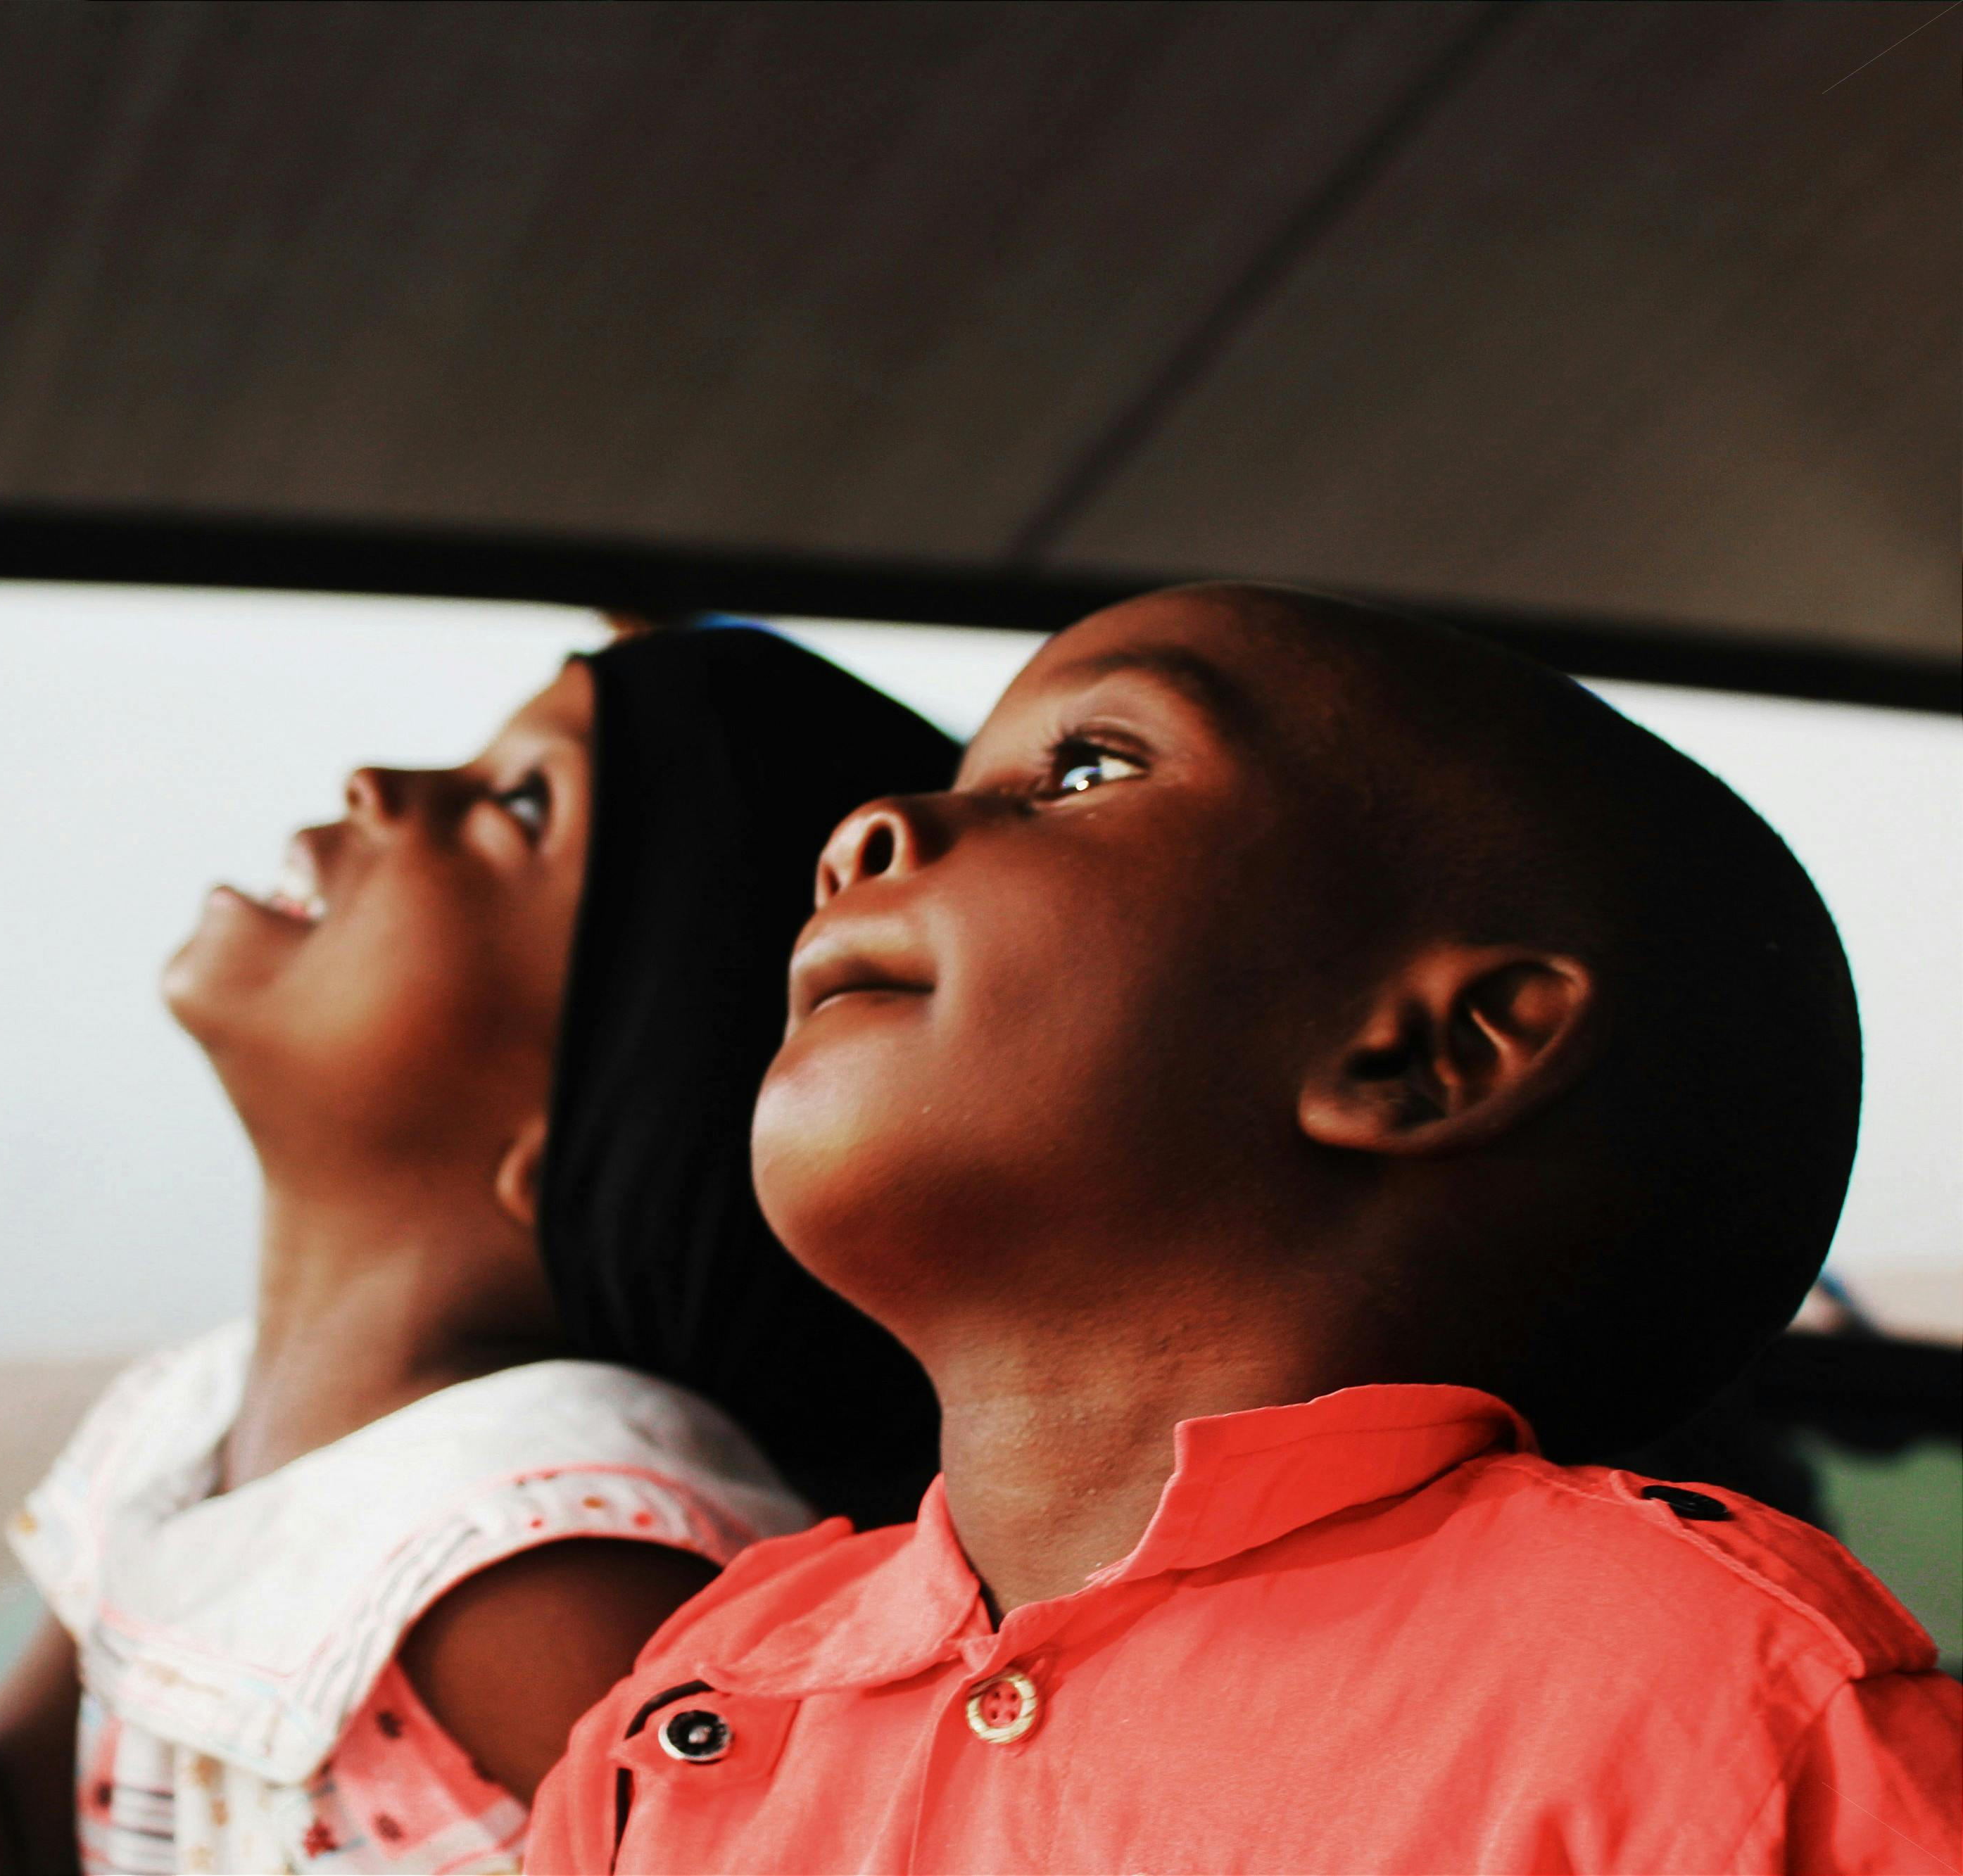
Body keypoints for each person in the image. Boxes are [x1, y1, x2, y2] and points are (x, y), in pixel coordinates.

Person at [531, 584, 1963, 1875]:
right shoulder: (704, 1694)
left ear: (1425, 1052)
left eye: (1086, 768)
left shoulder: (1715, 1712)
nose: (867, 834)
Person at [0, 625, 952, 1875]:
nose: (377, 780)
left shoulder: (545, 1577)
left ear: (594, 1124)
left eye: (521, 807)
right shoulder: (193, 1424)